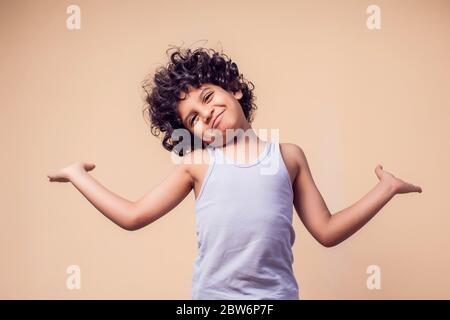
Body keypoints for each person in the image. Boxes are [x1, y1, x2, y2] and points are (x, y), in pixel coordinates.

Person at [47, 46, 422, 300]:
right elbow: (132, 216)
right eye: (192, 117)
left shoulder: (288, 156)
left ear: (235, 89)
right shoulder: (197, 165)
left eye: (208, 97)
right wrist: (78, 175)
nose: (206, 113)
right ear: (191, 133)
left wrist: (385, 189)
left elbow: (326, 231)